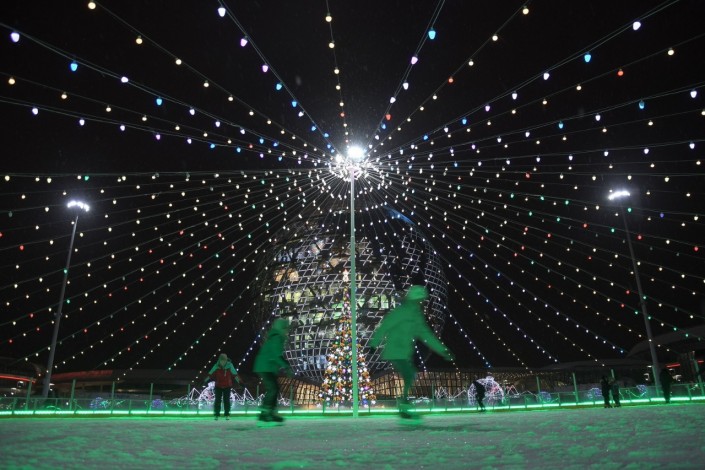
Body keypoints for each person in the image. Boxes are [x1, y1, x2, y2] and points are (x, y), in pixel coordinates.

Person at [369, 285, 454, 419]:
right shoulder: (401, 312)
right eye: (420, 300)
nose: (422, 303)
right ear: (414, 299)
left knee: (410, 374)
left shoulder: (417, 316)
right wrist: (374, 343)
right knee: (409, 374)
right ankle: (403, 403)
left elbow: (427, 335)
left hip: (404, 352)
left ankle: (404, 404)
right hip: (394, 350)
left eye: (422, 300)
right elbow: (385, 325)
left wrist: (443, 350)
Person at [253, 317, 293, 424]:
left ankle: (271, 412)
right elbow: (276, 355)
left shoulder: (276, 337)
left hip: (267, 367)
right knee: (273, 389)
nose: (287, 331)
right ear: (282, 328)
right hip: (265, 366)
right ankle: (265, 412)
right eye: (286, 328)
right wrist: (286, 366)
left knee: (274, 388)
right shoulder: (277, 338)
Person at [204, 353, 242, 421]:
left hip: (227, 386)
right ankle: (216, 414)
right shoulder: (216, 366)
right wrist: (204, 381)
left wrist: (240, 382)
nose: (222, 362)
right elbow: (210, 374)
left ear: (226, 360)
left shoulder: (230, 365)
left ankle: (227, 414)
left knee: (226, 400)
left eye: (224, 360)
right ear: (219, 360)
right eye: (221, 360)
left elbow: (235, 374)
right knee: (217, 400)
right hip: (218, 385)